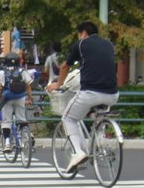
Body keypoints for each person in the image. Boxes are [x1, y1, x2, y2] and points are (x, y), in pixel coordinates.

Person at [47, 21, 118, 173]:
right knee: (97, 115)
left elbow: (66, 66)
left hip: (90, 93)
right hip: (113, 94)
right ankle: (100, 142)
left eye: (79, 34)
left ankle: (78, 152)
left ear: (83, 33)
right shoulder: (109, 44)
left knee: (68, 118)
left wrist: (58, 85)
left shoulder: (81, 44)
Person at [0, 53, 33, 152]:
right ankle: (27, 138)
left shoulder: (2, 72)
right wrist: (30, 98)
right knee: (22, 119)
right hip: (20, 97)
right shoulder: (22, 71)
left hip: (7, 99)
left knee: (6, 122)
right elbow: (28, 85)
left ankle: (7, 143)